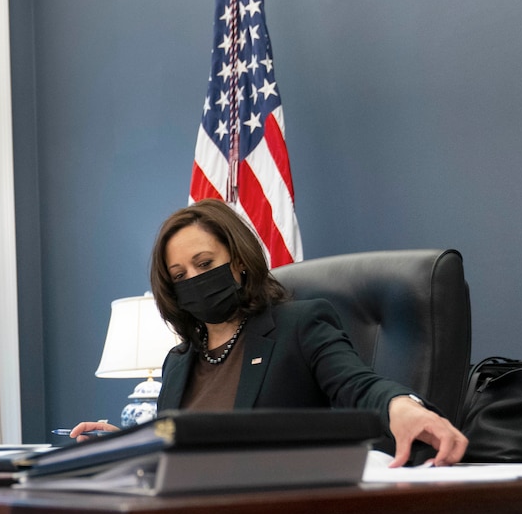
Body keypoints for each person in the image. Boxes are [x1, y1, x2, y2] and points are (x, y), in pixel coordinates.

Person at [71, 199, 467, 467]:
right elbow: (183, 453)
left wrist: (404, 407)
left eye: (204, 263)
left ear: (239, 263)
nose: (193, 279)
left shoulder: (300, 325)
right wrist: (125, 445)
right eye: (179, 276)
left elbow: (358, 384)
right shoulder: (178, 363)